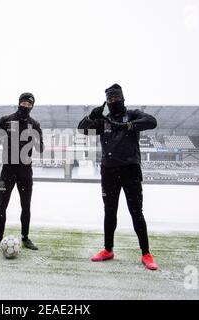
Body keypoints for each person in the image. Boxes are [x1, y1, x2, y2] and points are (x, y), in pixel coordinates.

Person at [78, 83, 159, 270]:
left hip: (131, 170)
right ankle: (108, 250)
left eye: (116, 98)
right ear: (106, 101)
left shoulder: (133, 115)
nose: (113, 101)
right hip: (109, 171)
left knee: (136, 212)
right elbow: (82, 129)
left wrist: (128, 125)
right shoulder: (103, 122)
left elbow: (152, 121)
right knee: (109, 211)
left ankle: (146, 253)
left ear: (123, 98)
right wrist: (91, 115)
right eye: (110, 99)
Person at [0, 92, 44, 252]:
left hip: (25, 171)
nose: (26, 106)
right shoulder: (5, 120)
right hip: (7, 170)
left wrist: (37, 138)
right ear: (19, 102)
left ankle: (25, 238)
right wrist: (1, 133)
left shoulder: (34, 124)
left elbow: (40, 149)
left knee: (26, 206)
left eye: (29, 104)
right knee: (2, 205)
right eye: (24, 103)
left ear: (32, 106)